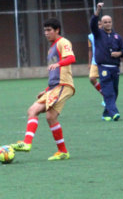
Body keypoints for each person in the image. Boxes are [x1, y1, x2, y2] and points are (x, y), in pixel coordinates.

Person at [11, 18, 76, 160]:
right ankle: (62, 151)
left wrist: (59, 64)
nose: (46, 33)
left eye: (49, 30)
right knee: (43, 114)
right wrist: (47, 89)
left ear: (57, 30)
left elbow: (71, 58)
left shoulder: (63, 42)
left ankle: (28, 143)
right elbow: (54, 72)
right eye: (45, 30)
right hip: (54, 87)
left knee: (40, 113)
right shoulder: (51, 49)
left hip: (63, 85)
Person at [90, 2, 123, 121]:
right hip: (104, 67)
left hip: (115, 68)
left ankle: (106, 113)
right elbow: (92, 24)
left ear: (112, 23)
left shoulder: (117, 37)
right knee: (108, 90)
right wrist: (98, 11)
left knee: (115, 91)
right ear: (102, 24)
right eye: (105, 22)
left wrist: (119, 53)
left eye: (109, 22)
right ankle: (115, 112)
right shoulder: (98, 34)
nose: (107, 24)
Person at [88, 20, 105, 106]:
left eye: (100, 24)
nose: (99, 26)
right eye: (97, 24)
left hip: (104, 61)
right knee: (92, 78)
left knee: (104, 80)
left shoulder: (105, 35)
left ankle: (106, 98)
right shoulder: (90, 36)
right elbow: (90, 50)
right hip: (95, 62)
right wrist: (89, 62)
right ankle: (103, 93)